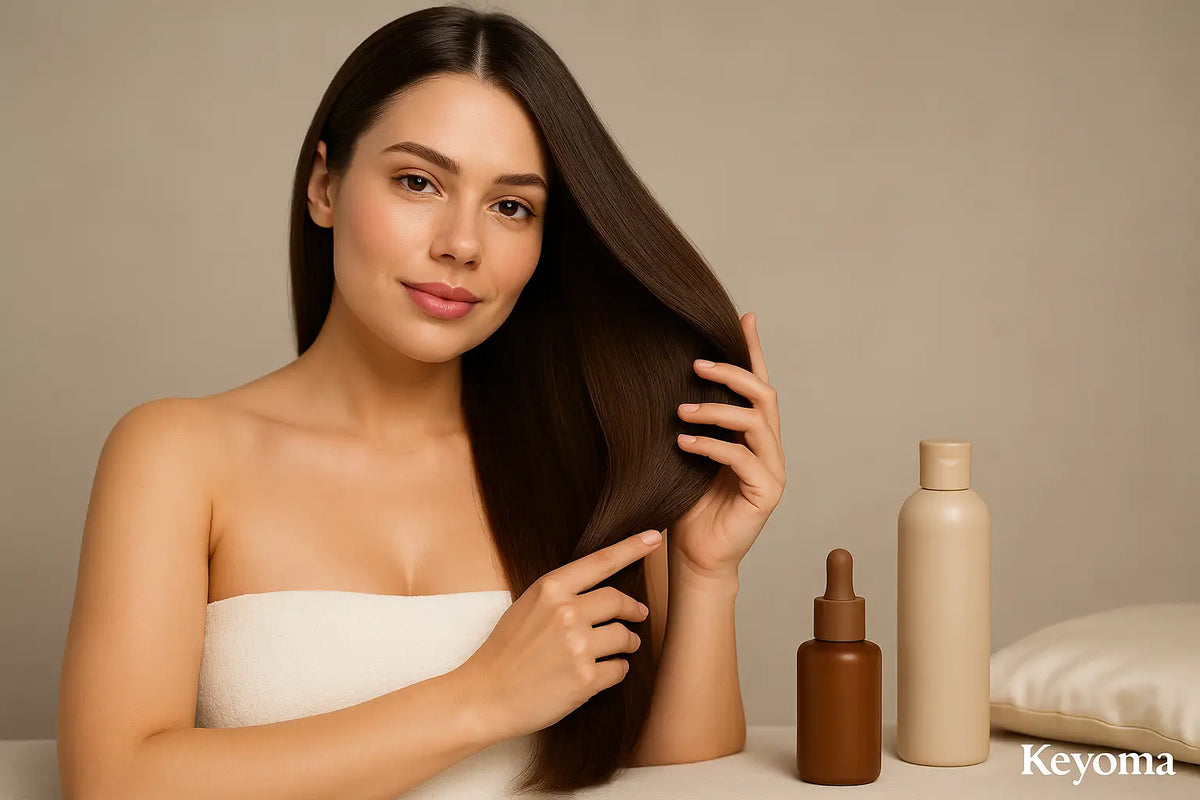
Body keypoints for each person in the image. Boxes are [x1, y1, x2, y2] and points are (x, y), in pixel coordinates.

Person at [56, 5, 786, 799]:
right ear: (325, 185)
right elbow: (113, 778)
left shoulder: (597, 466)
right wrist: (479, 698)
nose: (461, 244)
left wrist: (708, 573)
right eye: (418, 181)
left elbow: (686, 780)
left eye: (512, 206)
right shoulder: (178, 453)